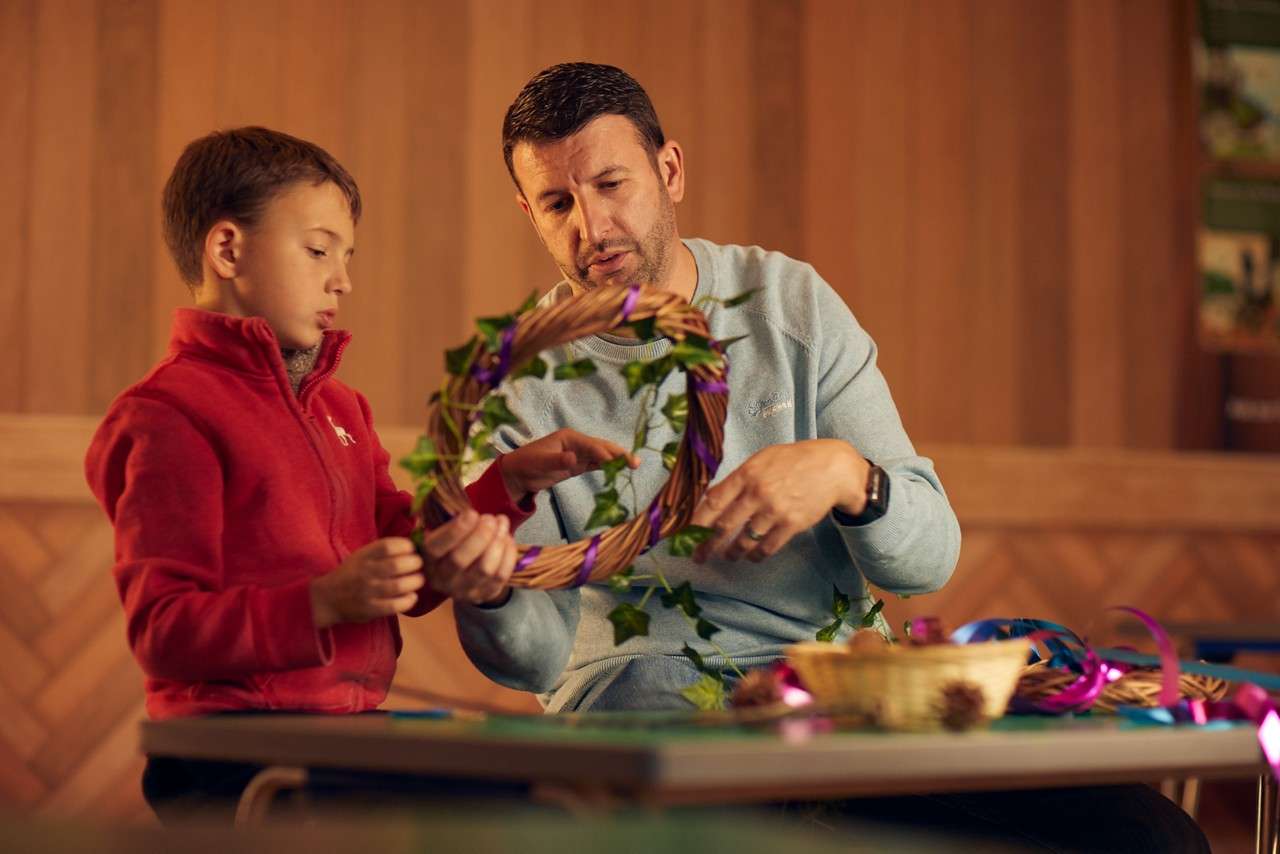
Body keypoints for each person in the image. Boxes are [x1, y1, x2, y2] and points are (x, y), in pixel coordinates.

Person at [435, 64, 1210, 853]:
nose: (592, 227)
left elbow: (929, 561)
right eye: (559, 204)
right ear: (528, 212)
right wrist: (489, 591)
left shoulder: (789, 303)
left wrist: (847, 475)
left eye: (611, 185)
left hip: (844, 701)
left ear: (669, 171)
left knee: (1153, 837)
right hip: (645, 715)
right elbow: (533, 664)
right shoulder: (514, 388)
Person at [84, 126, 632, 819]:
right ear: (227, 249)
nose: (342, 279)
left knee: (565, 796)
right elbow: (163, 633)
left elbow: (412, 573)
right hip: (230, 759)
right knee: (532, 815)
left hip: (341, 740)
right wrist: (321, 603)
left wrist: (510, 484)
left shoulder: (342, 408)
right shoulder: (168, 414)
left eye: (346, 256)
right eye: (318, 250)